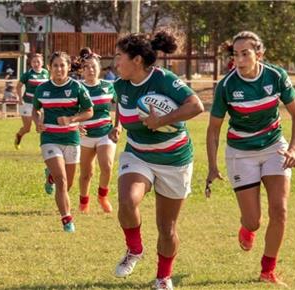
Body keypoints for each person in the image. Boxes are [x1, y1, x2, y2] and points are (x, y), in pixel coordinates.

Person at [109, 31, 204, 290]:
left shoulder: (163, 80)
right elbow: (121, 106)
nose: (115, 62)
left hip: (174, 159)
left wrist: (160, 121)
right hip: (138, 154)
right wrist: (115, 126)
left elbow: (196, 106)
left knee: (167, 227)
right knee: (127, 201)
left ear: (137, 60)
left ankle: (163, 277)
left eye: (120, 57)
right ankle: (134, 249)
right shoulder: (120, 85)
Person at [206, 31, 295, 287]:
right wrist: (212, 167)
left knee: (279, 211)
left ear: (259, 54)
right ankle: (247, 228)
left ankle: (267, 271)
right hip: (241, 153)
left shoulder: (276, 76)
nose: (239, 59)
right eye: (236, 54)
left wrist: (293, 149)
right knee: (253, 220)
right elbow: (214, 128)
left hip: (274, 148)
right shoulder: (227, 85)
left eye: (245, 53)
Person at [32, 51, 94, 232]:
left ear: (68, 67)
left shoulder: (77, 88)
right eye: (55, 65)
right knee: (61, 180)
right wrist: (38, 123)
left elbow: (89, 111)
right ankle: (67, 220)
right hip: (50, 138)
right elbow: (35, 111)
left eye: (62, 65)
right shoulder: (42, 89)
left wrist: (72, 119)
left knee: (68, 183)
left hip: (71, 138)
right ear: (49, 68)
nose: (59, 69)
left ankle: (49, 175)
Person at [77, 49, 116, 214]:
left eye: (93, 67)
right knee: (87, 174)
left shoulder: (109, 86)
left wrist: (118, 126)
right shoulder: (77, 87)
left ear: (99, 69)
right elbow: (67, 109)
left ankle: (103, 196)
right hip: (85, 135)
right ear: (82, 70)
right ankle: (84, 202)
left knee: (106, 166)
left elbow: (121, 105)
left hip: (105, 133)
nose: (90, 70)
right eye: (87, 67)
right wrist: (75, 125)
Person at [14, 53, 49, 150]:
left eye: (38, 61)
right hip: (28, 103)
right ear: (31, 63)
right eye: (34, 62)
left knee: (40, 126)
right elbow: (18, 86)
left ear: (42, 62)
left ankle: (45, 147)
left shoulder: (46, 73)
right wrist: (20, 99)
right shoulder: (28, 74)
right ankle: (18, 136)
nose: (36, 63)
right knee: (27, 128)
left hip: (42, 104)